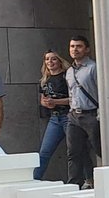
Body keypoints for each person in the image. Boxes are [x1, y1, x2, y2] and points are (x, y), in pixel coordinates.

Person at [65, 33, 101, 188]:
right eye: (72, 46)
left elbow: (101, 91)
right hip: (74, 115)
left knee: (100, 149)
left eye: (79, 46)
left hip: (91, 114)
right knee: (73, 152)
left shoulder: (93, 68)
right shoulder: (69, 71)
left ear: (87, 49)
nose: (75, 49)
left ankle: (105, 181)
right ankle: (74, 184)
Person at [35, 52, 71, 180]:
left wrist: (56, 102)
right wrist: (46, 103)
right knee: (44, 152)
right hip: (54, 118)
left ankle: (86, 179)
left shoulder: (67, 76)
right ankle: (35, 179)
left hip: (68, 116)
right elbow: (42, 99)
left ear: (59, 61)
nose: (50, 62)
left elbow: (75, 98)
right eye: (47, 59)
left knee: (75, 150)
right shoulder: (44, 80)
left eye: (53, 59)